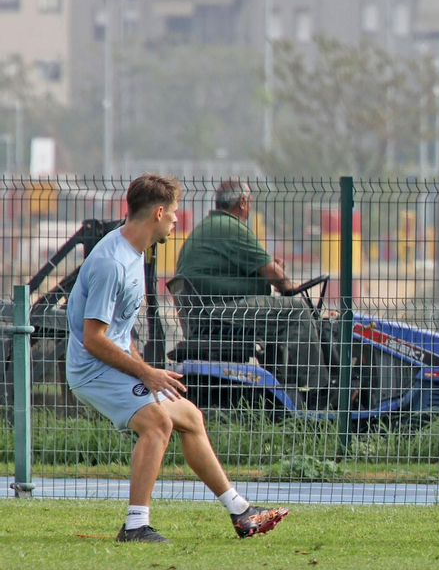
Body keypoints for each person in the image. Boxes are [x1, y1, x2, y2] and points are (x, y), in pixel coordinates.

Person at [66, 174, 289, 543]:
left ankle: (241, 513)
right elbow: (94, 339)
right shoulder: (112, 263)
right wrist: (145, 374)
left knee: (189, 416)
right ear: (157, 213)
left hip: (110, 362)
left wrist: (145, 370)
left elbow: (118, 335)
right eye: (172, 213)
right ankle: (136, 526)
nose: (175, 220)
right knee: (157, 424)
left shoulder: (134, 253)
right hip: (91, 371)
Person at [173, 179, 328, 394]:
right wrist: (284, 281)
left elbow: (249, 266)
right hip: (217, 313)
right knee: (296, 310)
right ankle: (322, 391)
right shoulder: (230, 226)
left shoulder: (213, 226)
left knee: (279, 312)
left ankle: (284, 386)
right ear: (243, 202)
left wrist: (269, 270)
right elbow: (278, 278)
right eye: (251, 202)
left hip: (207, 311)